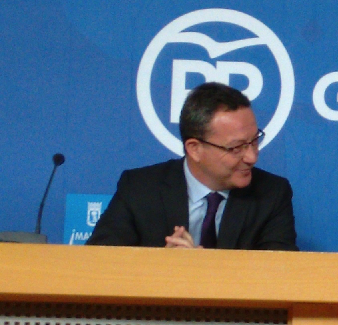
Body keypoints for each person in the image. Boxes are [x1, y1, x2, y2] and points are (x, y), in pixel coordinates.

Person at [88, 82, 298, 250]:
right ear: (195, 148)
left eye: (254, 140)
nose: (252, 157)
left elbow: (277, 276)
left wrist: (200, 270)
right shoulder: (140, 188)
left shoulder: (271, 194)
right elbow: (98, 264)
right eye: (236, 148)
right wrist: (159, 267)